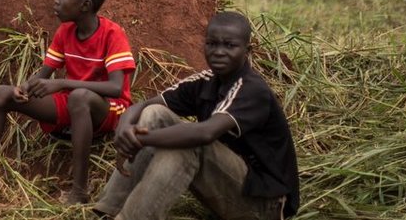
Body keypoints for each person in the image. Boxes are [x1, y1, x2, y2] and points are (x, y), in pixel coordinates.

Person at [0, 0, 136, 208]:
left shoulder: (112, 34)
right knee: (0, 93)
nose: (56, 0)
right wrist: (25, 87)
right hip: (74, 102)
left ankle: (79, 191)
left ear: (85, 5)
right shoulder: (65, 32)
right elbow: (44, 73)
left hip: (110, 110)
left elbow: (115, 88)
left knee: (79, 97)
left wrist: (62, 84)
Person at [93, 12, 300, 220]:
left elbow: (204, 134)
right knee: (154, 114)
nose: (219, 52)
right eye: (212, 44)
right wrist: (124, 128)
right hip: (231, 185)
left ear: (248, 51)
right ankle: (107, 210)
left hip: (266, 204)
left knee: (189, 145)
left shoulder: (252, 89)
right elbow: (144, 105)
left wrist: (137, 139)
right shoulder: (207, 80)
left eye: (230, 46)